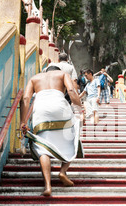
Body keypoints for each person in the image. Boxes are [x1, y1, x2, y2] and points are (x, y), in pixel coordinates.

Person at [20, 66, 83, 196]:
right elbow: (71, 90)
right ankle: (63, 172)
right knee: (72, 137)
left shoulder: (34, 78)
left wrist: (23, 121)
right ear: (57, 70)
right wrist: (80, 110)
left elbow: (26, 99)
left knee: (43, 148)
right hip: (60, 107)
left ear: (45, 72)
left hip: (41, 111)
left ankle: (48, 186)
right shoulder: (63, 74)